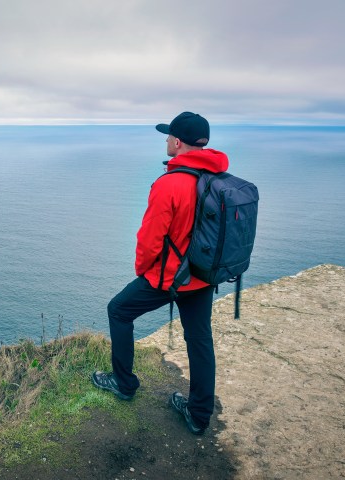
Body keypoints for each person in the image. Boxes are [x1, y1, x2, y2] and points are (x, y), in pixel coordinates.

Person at [91, 111, 229, 436]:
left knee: (119, 310)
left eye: (169, 136)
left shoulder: (170, 184)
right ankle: (198, 415)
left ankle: (124, 384)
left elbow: (150, 238)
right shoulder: (218, 180)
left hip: (169, 278)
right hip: (203, 276)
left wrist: (143, 271)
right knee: (199, 340)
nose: (166, 140)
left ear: (178, 142)